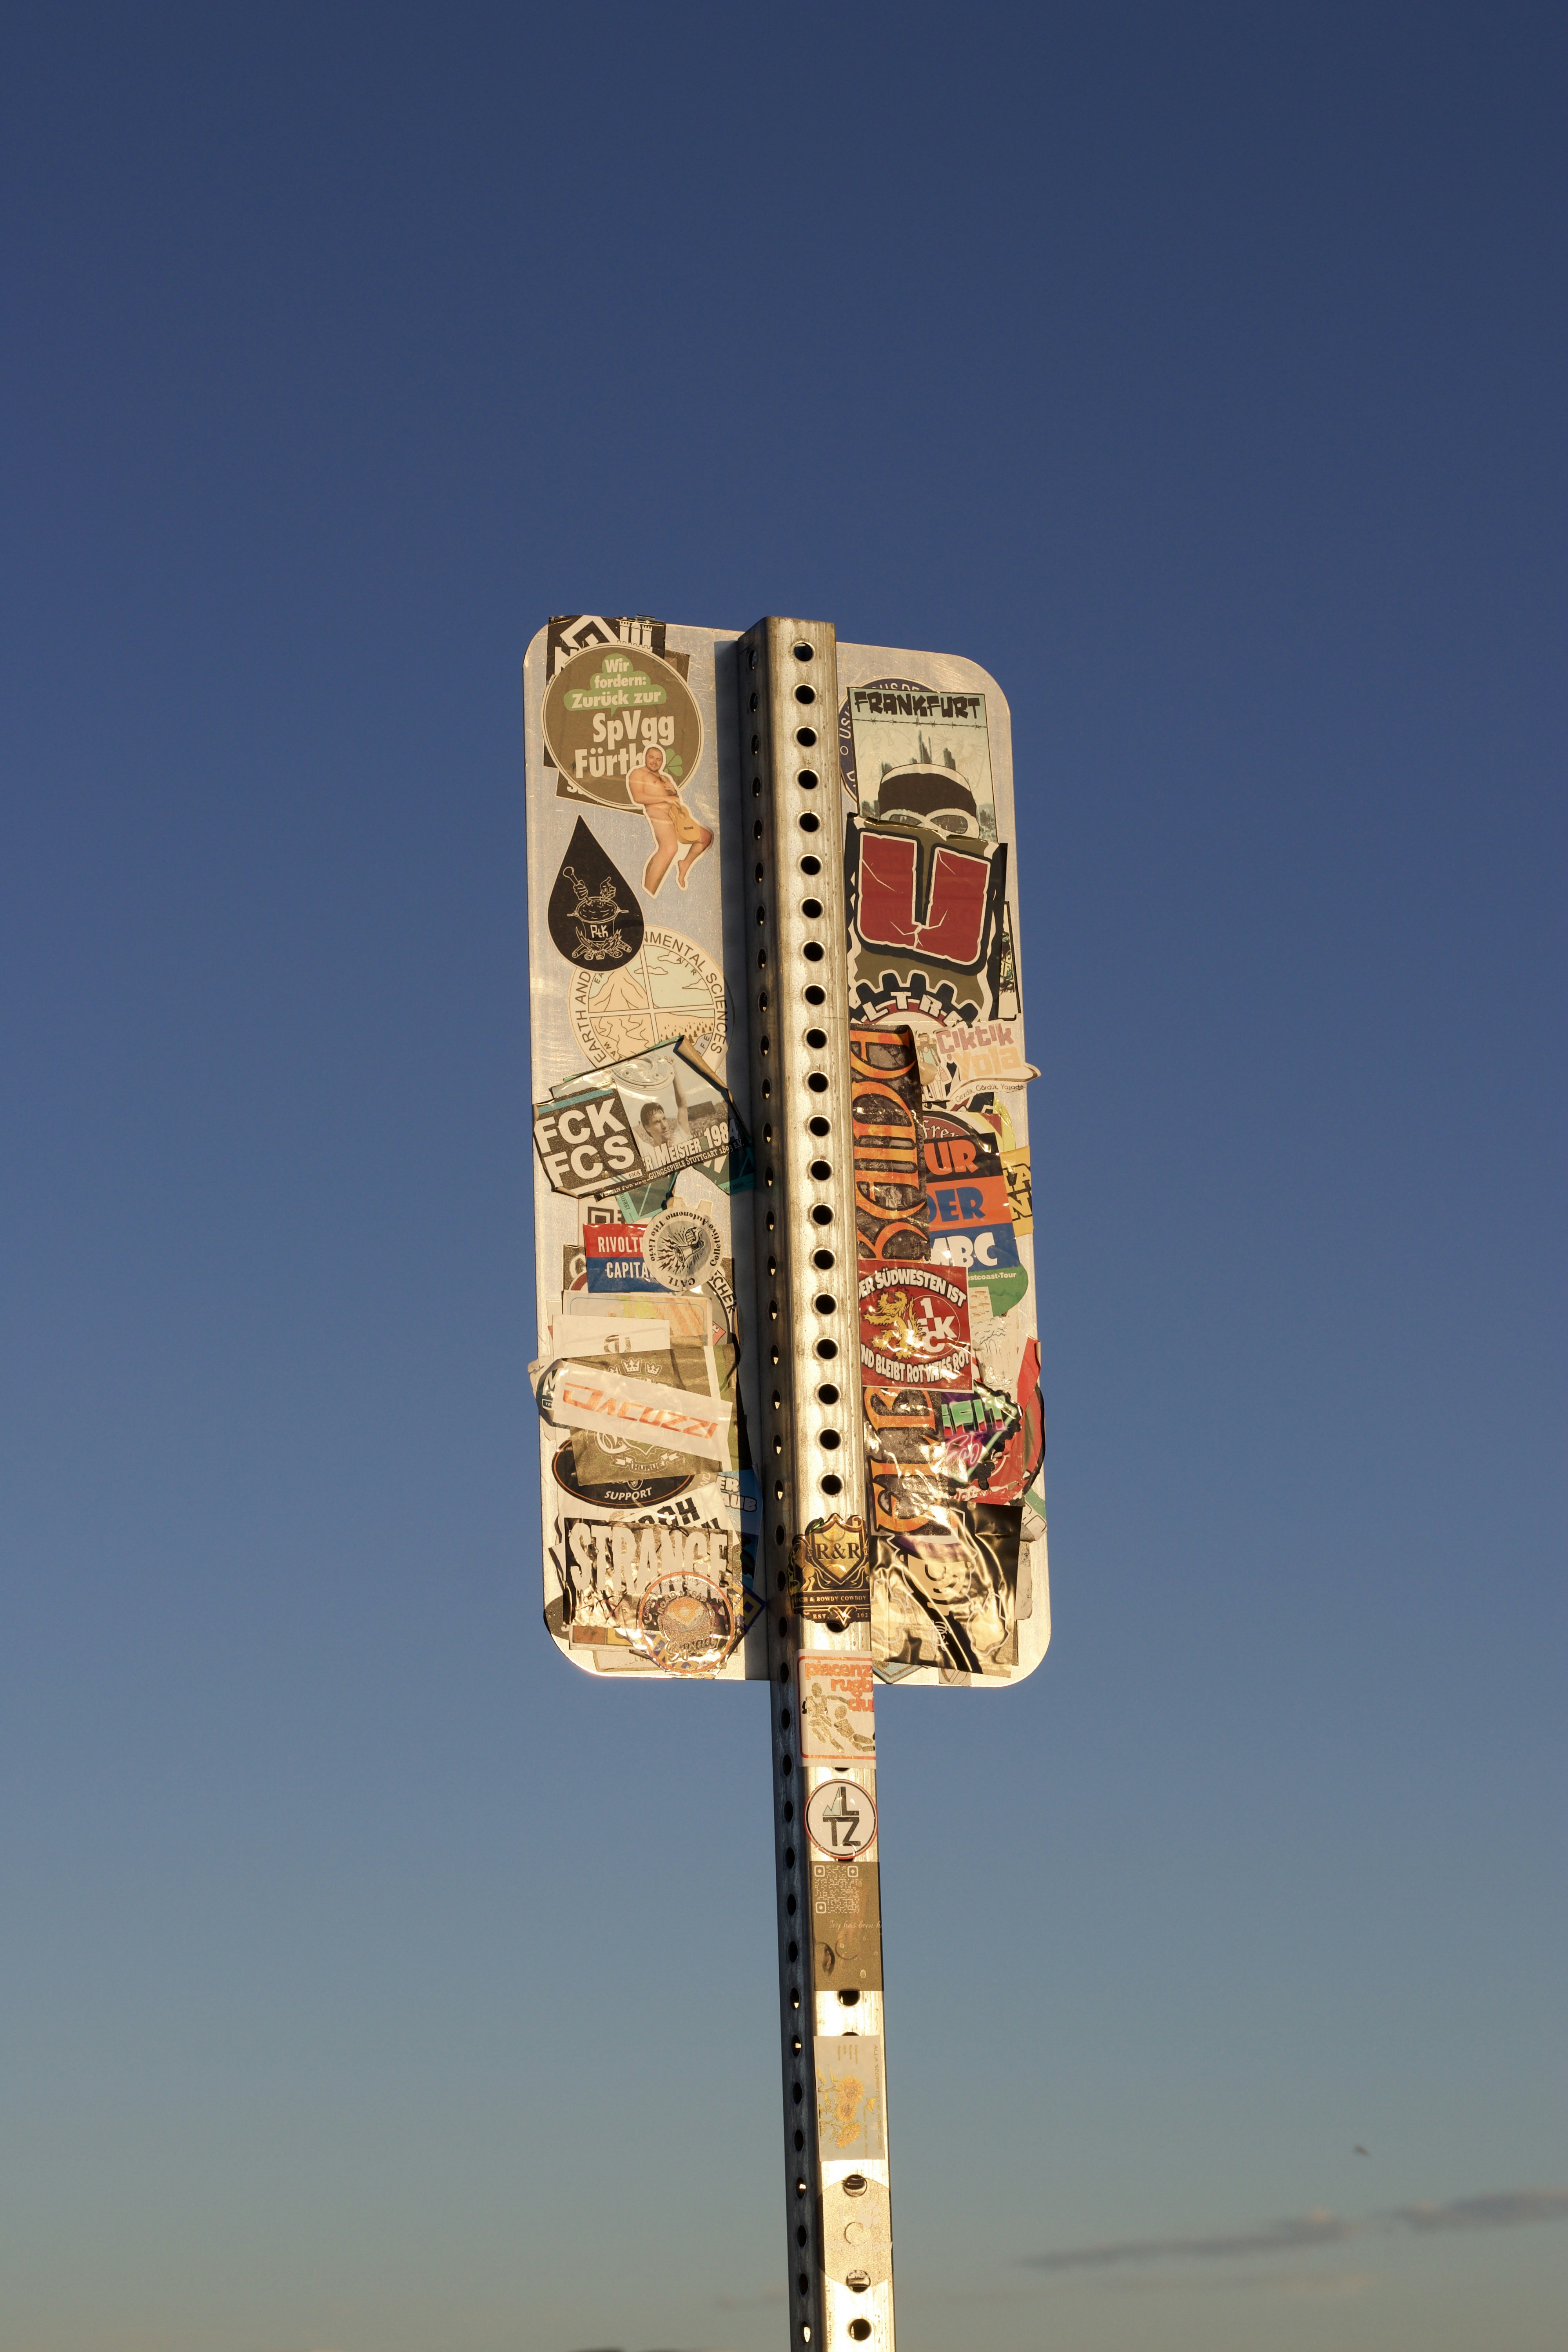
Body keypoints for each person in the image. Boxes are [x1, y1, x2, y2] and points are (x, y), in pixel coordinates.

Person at [628, 742, 713, 894]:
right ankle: (649, 891)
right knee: (669, 848)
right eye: (652, 758)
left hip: (675, 813)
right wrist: (665, 799)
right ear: (645, 758)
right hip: (658, 812)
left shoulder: (664, 777)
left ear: (662, 762)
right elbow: (638, 797)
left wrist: (673, 792)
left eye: (659, 759)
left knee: (706, 837)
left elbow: (676, 800)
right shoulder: (638, 773)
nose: (655, 761)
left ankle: (685, 864)